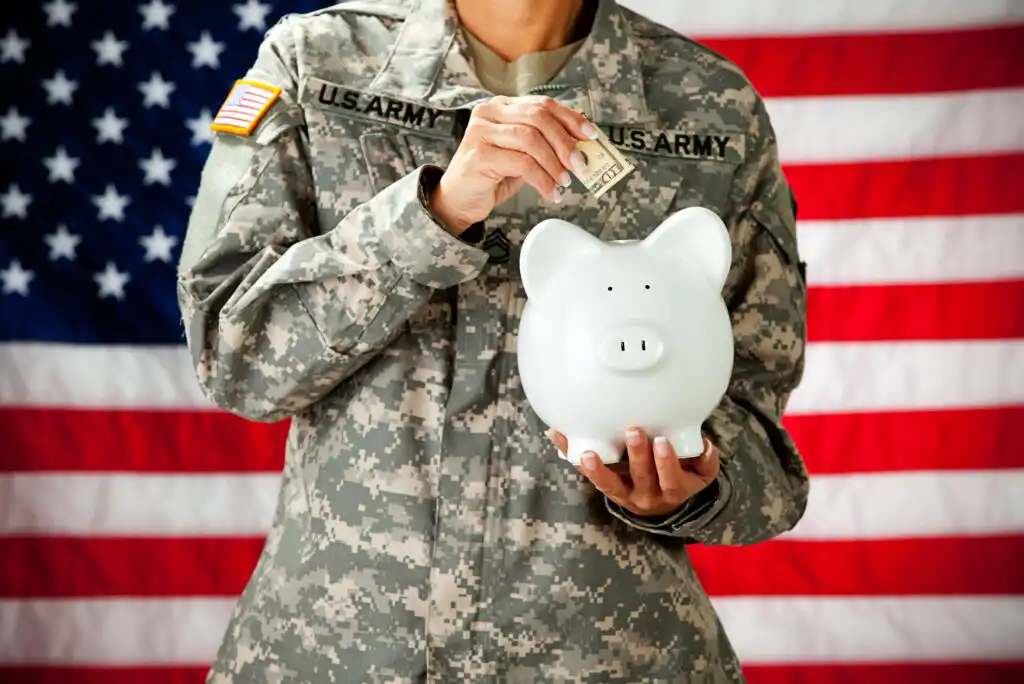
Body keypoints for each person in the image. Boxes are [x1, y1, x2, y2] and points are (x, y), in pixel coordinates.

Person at [176, 0, 810, 681]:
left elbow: (760, 439)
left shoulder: (710, 107)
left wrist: (689, 486)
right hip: (335, 654)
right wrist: (435, 215)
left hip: (602, 659)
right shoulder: (314, 63)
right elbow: (233, 359)